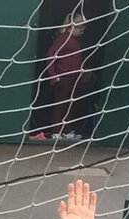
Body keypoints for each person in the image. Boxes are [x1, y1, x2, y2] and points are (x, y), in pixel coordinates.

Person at [30, 13, 93, 142]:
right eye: (80, 30)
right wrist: (54, 75)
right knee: (60, 106)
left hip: (74, 78)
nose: (81, 33)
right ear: (71, 27)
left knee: (70, 106)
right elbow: (50, 56)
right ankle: (56, 131)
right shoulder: (62, 39)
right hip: (62, 78)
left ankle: (66, 131)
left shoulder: (76, 41)